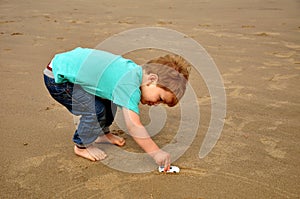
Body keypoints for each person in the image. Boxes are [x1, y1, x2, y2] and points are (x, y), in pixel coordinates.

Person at [43, 47, 190, 171]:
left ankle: (102, 134)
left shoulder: (135, 72)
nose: (156, 104)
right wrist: (156, 153)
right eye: (160, 98)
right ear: (152, 80)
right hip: (58, 78)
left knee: (110, 102)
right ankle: (82, 145)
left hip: (67, 67)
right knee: (95, 110)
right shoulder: (129, 85)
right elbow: (133, 125)